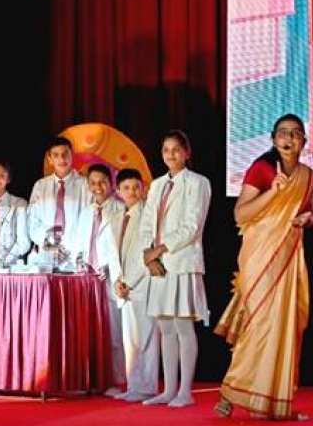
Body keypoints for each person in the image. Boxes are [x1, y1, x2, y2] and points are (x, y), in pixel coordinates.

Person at [214, 113, 313, 421]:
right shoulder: (262, 168)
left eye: (296, 133)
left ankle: (272, 404)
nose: (289, 138)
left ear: (304, 141)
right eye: (283, 133)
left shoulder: (306, 176)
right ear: (274, 139)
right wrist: (273, 191)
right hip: (260, 256)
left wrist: (306, 219)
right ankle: (232, 389)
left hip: (288, 256)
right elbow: (240, 214)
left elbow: (309, 213)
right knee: (260, 324)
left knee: (285, 327)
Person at [140, 129, 211, 408]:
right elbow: (147, 223)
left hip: (181, 262)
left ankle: (185, 391)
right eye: (166, 150)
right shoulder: (157, 185)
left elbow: (192, 226)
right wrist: (148, 255)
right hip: (158, 265)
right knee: (165, 327)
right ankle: (168, 389)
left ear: (186, 153)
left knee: (183, 325)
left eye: (176, 149)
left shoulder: (198, 183)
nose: (170, 155)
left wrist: (159, 250)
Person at [67, 163, 126, 395]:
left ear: (111, 183)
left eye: (102, 182)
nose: (97, 187)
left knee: (114, 331)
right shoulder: (86, 212)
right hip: (88, 279)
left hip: (111, 277)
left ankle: (117, 380)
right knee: (89, 330)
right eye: (93, 183)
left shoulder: (120, 210)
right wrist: (79, 260)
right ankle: (90, 379)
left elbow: (122, 246)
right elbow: (78, 243)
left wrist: (110, 266)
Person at [111, 168, 160, 402]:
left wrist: (129, 282)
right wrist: (118, 281)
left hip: (142, 282)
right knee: (130, 338)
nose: (132, 192)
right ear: (118, 191)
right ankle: (134, 385)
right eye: (126, 188)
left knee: (147, 336)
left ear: (143, 188)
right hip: (124, 285)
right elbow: (115, 253)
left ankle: (148, 386)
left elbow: (144, 252)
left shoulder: (147, 214)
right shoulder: (117, 217)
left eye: (136, 187)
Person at [27, 136, 90, 264]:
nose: (61, 159)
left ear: (72, 155)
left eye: (65, 154)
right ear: (50, 159)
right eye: (56, 155)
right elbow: (32, 220)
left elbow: (89, 220)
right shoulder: (40, 186)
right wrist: (48, 243)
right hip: (46, 253)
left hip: (76, 254)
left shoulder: (85, 185)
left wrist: (74, 247)